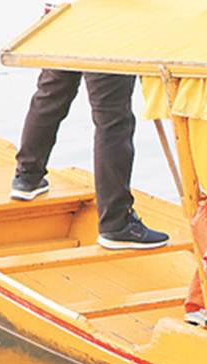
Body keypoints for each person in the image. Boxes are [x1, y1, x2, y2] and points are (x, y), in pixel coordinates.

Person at [11, 66, 169, 250]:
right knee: (112, 119)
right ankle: (116, 223)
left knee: (51, 93)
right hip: (106, 50)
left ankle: (27, 177)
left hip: (65, 45)